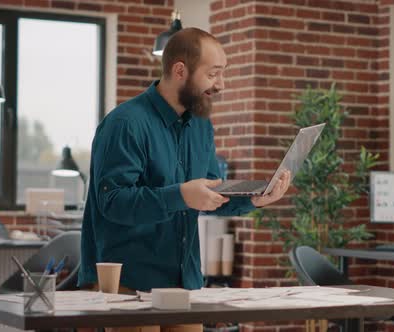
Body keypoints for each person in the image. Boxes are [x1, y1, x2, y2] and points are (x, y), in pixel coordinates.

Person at [77, 27, 291, 332]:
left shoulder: (201, 126)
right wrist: (180, 195)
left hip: (183, 283)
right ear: (180, 71)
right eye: (213, 74)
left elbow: (210, 194)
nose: (221, 84)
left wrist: (255, 199)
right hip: (128, 285)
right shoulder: (125, 124)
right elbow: (113, 202)